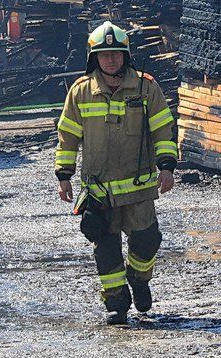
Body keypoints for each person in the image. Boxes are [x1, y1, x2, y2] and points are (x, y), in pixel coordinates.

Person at [56, 22, 177, 325]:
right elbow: (67, 136)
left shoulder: (146, 87)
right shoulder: (81, 92)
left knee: (147, 241)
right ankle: (116, 304)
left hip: (139, 188)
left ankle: (139, 278)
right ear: (94, 58)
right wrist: (64, 175)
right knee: (106, 249)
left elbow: (163, 129)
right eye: (104, 54)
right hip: (100, 192)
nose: (111, 60)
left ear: (126, 55)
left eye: (116, 54)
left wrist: (167, 167)